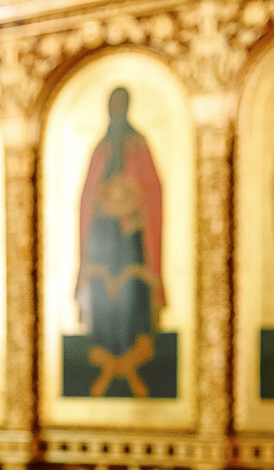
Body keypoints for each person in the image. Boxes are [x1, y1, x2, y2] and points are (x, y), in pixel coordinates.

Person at [77, 86, 165, 398]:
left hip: (131, 237)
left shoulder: (138, 145)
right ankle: (107, 362)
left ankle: (131, 363)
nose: (117, 111)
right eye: (112, 105)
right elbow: (88, 194)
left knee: (132, 291)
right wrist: (103, 200)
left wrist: (133, 198)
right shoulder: (101, 148)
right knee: (104, 292)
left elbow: (154, 190)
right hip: (102, 236)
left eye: (120, 105)